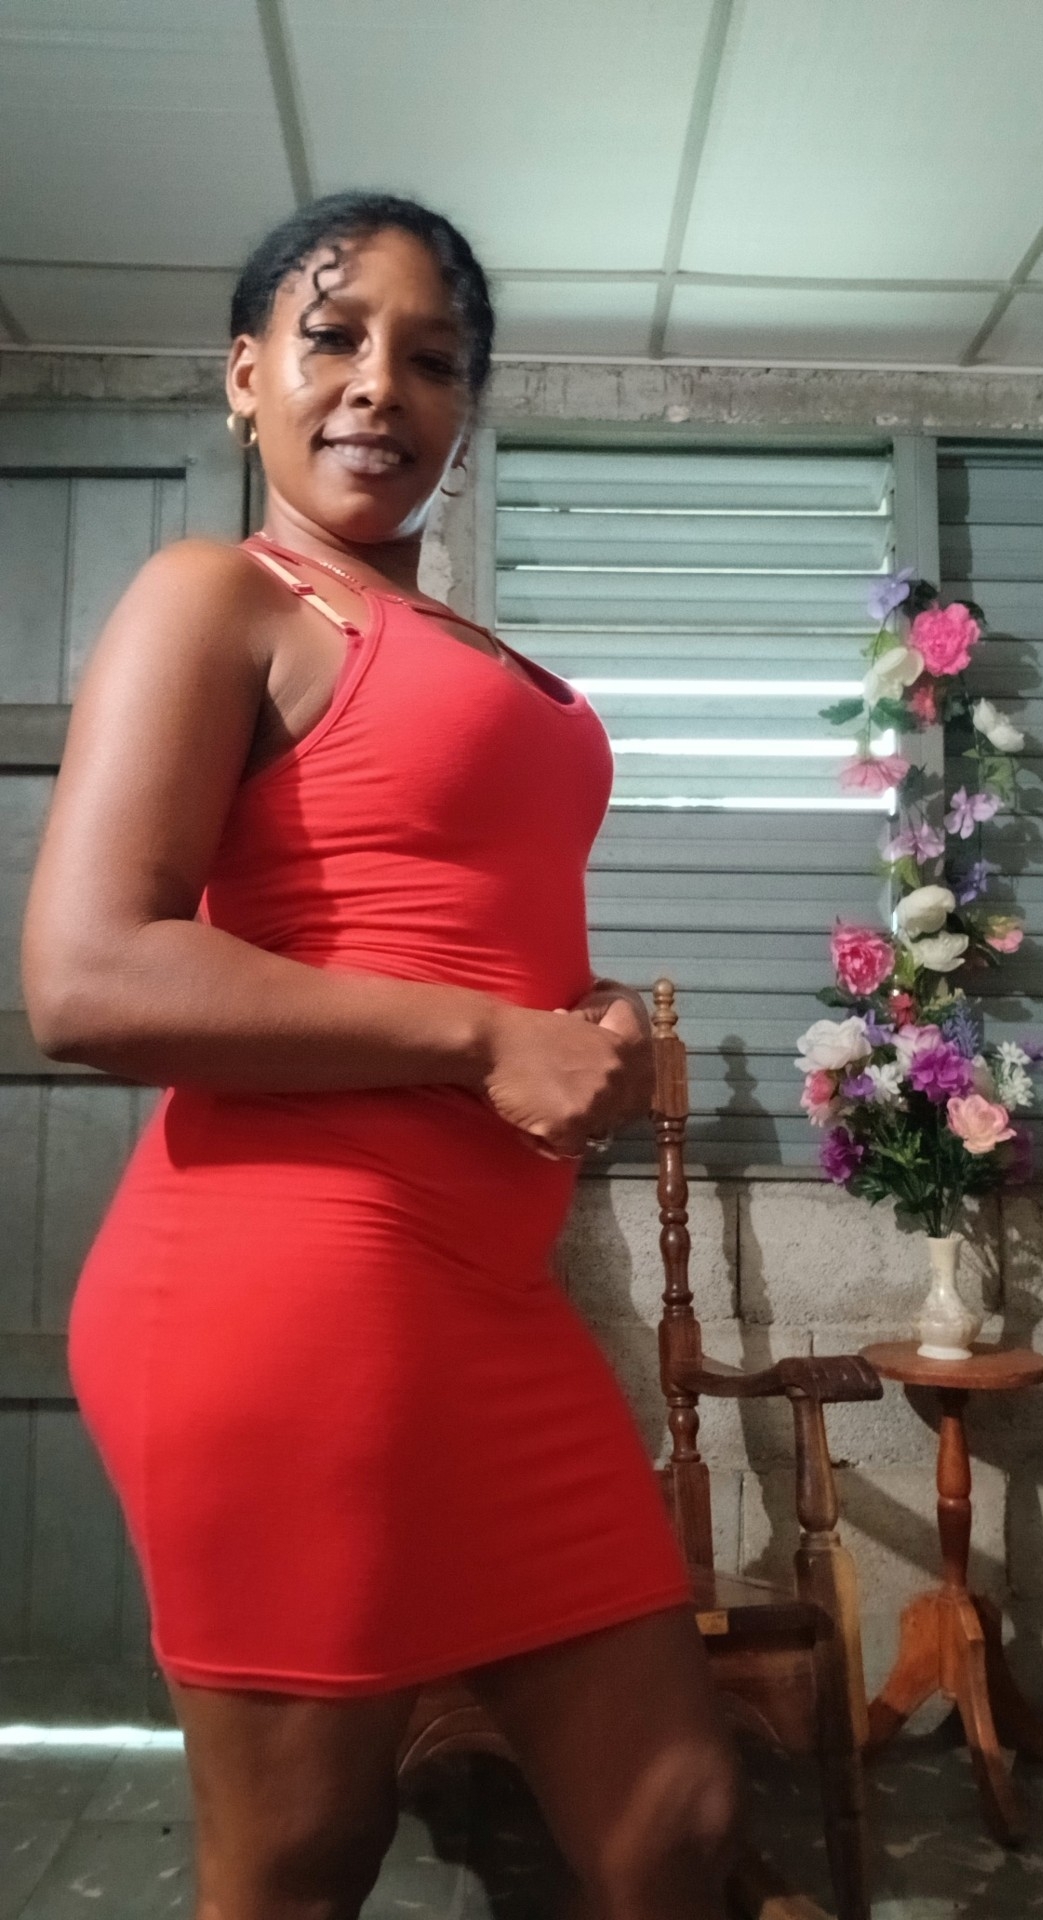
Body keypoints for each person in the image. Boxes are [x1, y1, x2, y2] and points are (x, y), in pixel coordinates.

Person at [22, 191, 738, 1920]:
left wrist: (585, 1015)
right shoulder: (221, 596)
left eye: (431, 359)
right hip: (285, 1288)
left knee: (681, 1819)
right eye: (333, 338)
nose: (378, 386)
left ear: (465, 409)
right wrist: (483, 1035)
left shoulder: (457, 646)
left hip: (481, 1299)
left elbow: (453, 909)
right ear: (243, 375)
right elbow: (89, 975)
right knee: (303, 1859)